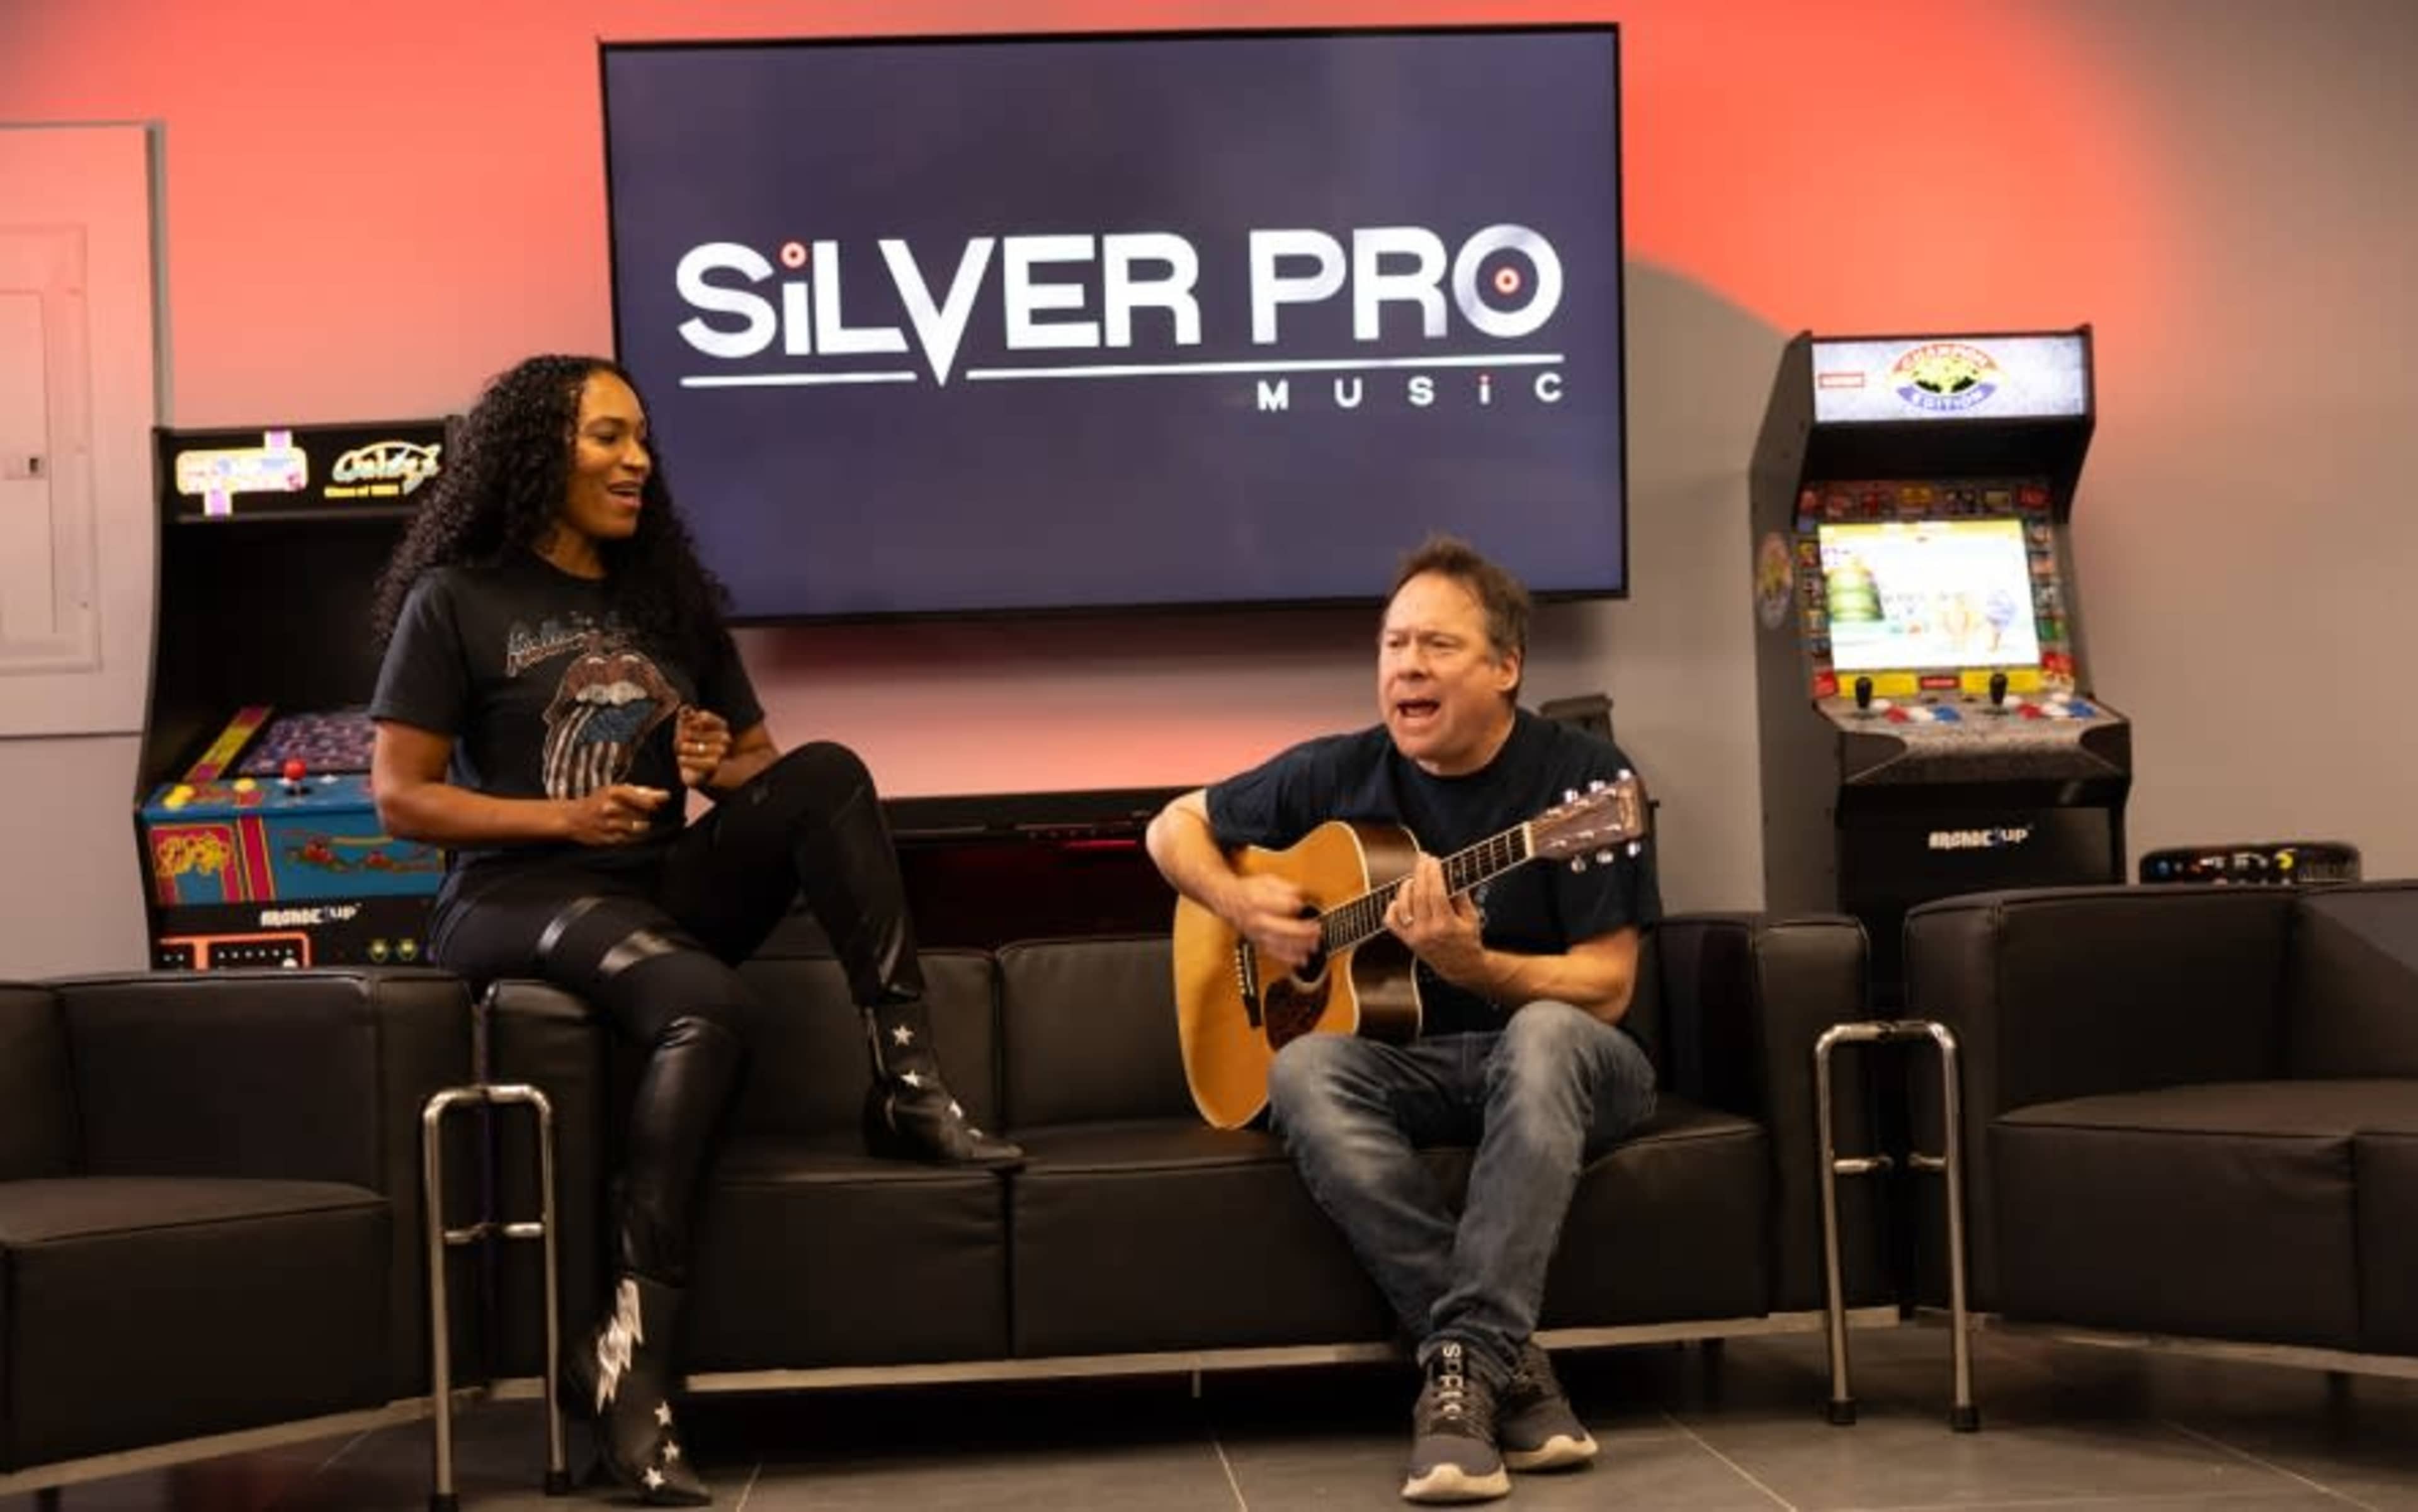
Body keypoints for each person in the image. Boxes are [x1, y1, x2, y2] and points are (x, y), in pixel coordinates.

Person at [368, 354, 1019, 1506]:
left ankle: (907, 1082)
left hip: (660, 878)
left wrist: (722, 767)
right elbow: (402, 796)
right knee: (709, 1001)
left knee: (828, 776)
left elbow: (763, 775)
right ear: (536, 455)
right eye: (609, 439)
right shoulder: (458, 600)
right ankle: (628, 1354)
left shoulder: (668, 599)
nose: (639, 461)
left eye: (643, 440)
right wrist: (561, 818)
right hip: (515, 892)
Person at [1144, 537, 1659, 1504]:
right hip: (1416, 1065)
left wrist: (1476, 966)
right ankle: (1500, 1366)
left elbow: (1608, 985)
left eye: (1436, 645)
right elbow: (1172, 825)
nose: (1406, 666)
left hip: (1574, 1065)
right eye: (1392, 645)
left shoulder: (1584, 789)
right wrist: (1247, 908)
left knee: (1543, 1032)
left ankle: (1459, 1370)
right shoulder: (1341, 772)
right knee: (1300, 1071)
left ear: (1507, 668)